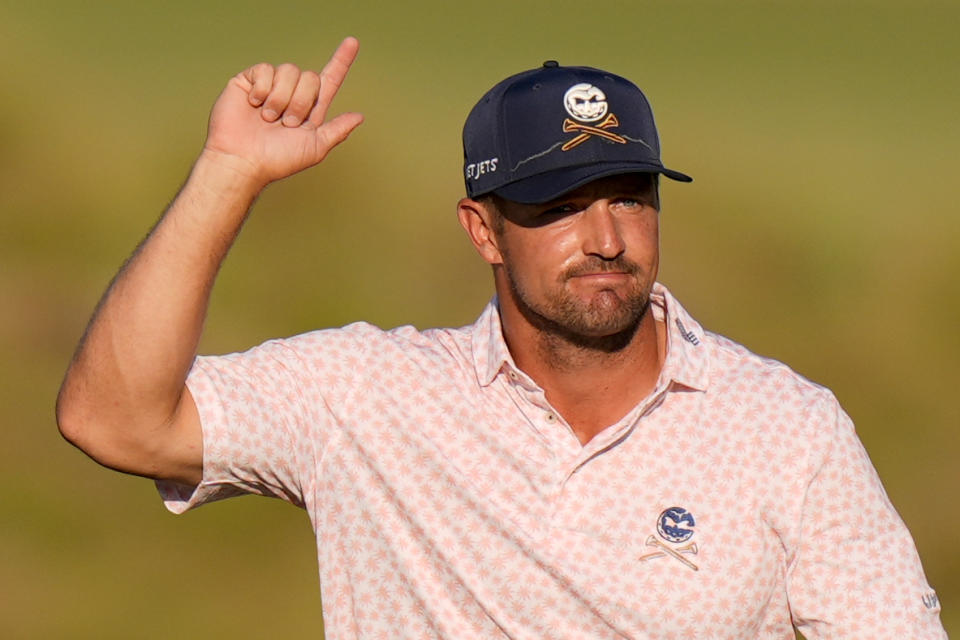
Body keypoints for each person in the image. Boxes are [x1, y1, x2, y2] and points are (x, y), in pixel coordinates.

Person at [56, 37, 946, 639]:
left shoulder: (787, 428)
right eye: (558, 207)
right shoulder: (368, 394)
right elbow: (115, 419)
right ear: (483, 232)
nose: (606, 239)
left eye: (630, 196)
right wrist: (227, 175)